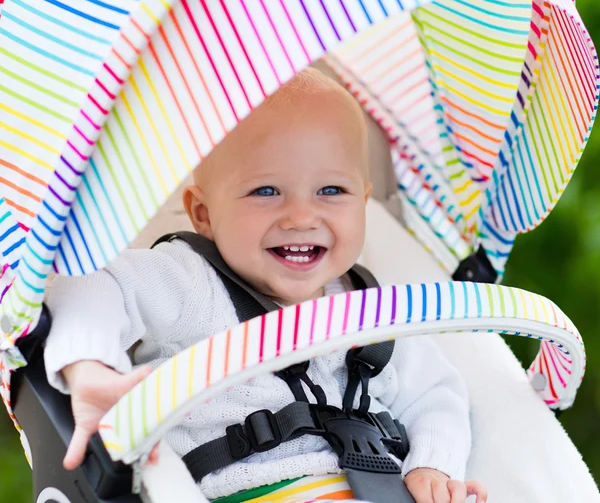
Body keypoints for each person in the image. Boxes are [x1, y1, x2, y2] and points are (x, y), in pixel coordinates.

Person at [44, 68, 487, 503]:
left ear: (363, 201)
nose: (301, 217)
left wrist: (433, 465)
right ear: (203, 214)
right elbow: (89, 284)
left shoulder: (373, 310)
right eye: (266, 191)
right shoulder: (190, 283)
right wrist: (89, 366)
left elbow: (436, 394)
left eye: (331, 190)